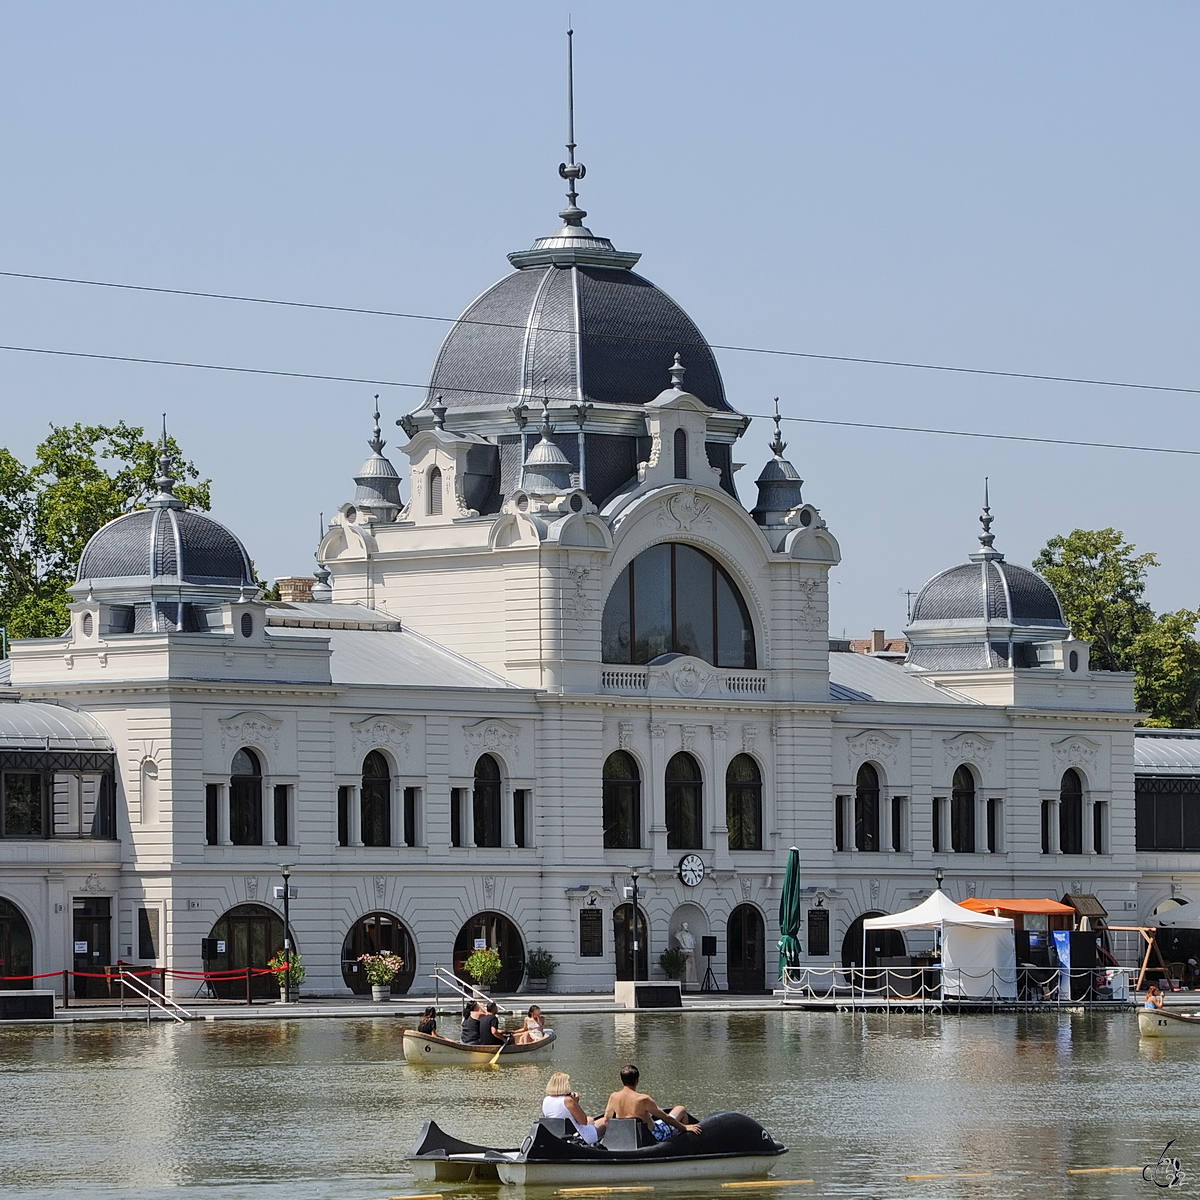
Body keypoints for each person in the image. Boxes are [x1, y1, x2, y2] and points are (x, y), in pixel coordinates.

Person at [603, 1064, 701, 1142]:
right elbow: (666, 1118)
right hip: (653, 1135)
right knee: (680, 1109)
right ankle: (682, 1144)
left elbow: (606, 1120)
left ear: (622, 1080)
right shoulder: (643, 1099)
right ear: (637, 1081)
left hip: (626, 1136)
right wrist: (685, 1127)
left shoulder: (613, 1097)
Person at [543, 1072, 607, 1144]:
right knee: (605, 1121)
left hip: (557, 1135)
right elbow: (584, 1121)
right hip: (578, 1136)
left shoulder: (546, 1100)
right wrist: (576, 1102)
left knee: (592, 1120)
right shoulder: (568, 1100)